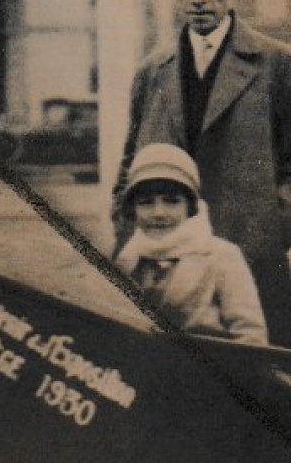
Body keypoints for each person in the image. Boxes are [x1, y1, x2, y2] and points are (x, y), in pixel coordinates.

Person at [113, 0, 291, 349]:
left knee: (266, 396)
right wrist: (133, 241)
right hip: (164, 274)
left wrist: (267, 235)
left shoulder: (277, 65)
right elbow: (128, 171)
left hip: (252, 269)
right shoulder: (150, 73)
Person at [114, 143, 267, 345]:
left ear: (190, 207)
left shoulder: (221, 256)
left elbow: (251, 336)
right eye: (146, 202)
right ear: (133, 209)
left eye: (172, 201)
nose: (158, 213)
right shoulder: (127, 259)